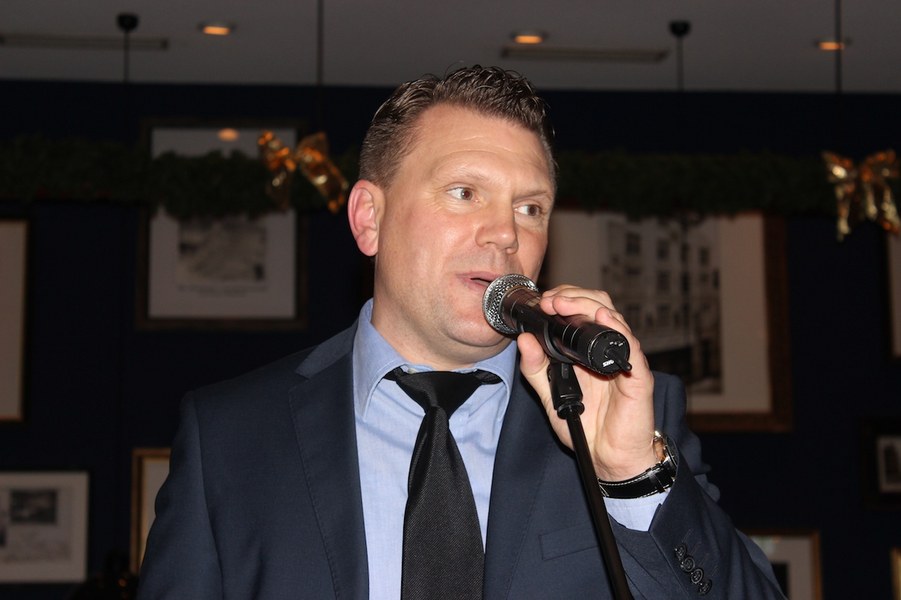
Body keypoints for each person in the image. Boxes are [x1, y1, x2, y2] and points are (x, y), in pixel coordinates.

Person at [136, 65, 785, 599]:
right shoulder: (232, 436)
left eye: (530, 207)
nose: (506, 233)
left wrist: (630, 476)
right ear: (369, 218)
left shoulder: (620, 414)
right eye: (464, 192)